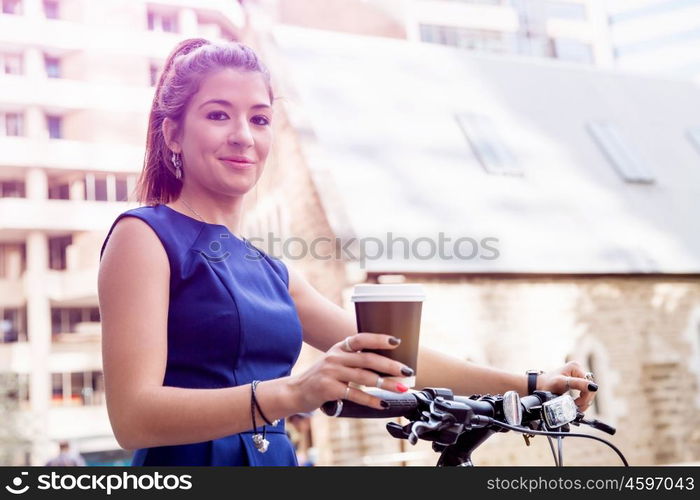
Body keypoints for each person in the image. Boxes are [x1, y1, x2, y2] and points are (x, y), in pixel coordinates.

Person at [97, 38, 598, 466]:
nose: (243, 136)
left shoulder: (270, 270)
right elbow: (133, 418)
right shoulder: (143, 237)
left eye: (260, 118)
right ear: (172, 134)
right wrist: (295, 392)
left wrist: (531, 381)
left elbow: (398, 358)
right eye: (218, 115)